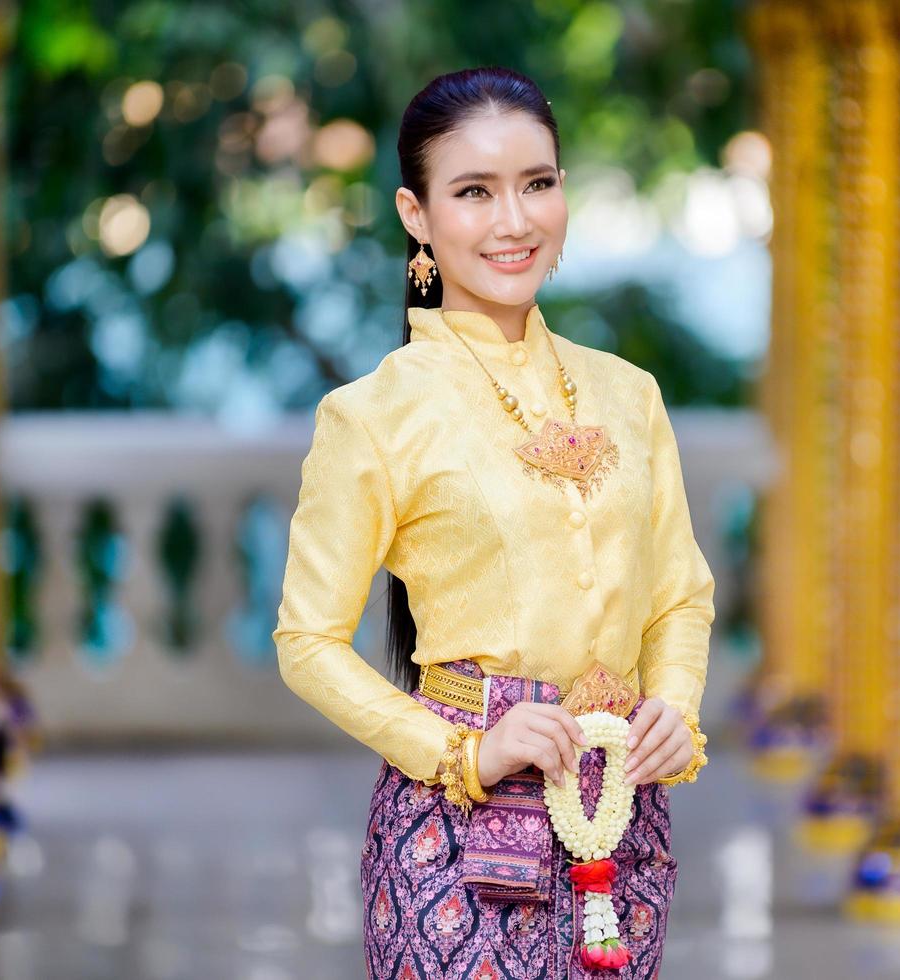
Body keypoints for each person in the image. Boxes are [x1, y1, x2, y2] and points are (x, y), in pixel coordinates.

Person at [274, 65, 715, 979]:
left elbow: (679, 595)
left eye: (537, 184)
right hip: (454, 840)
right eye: (473, 192)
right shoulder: (374, 415)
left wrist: (673, 706)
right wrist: (464, 752)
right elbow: (306, 641)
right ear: (416, 215)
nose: (514, 221)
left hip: (619, 820)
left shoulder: (626, 396)